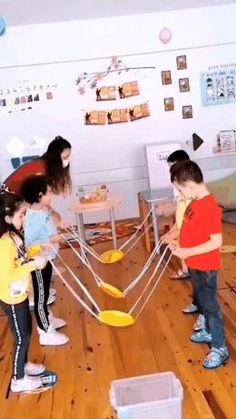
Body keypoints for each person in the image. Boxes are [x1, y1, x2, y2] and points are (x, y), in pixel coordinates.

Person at [170, 160, 229, 369]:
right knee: (203, 302)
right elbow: (190, 229)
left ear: (189, 185)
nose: (179, 194)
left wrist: (187, 252)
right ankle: (209, 332)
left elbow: (216, 242)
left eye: (179, 190)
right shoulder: (194, 201)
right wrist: (178, 241)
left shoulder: (209, 207)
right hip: (195, 263)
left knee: (211, 307)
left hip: (206, 267)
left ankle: (220, 347)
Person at [0, 191, 48, 392]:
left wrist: (33, 254)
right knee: (22, 338)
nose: (25, 218)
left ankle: (25, 365)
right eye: (21, 215)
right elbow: (6, 276)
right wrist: (32, 266)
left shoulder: (12, 236)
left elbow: (19, 259)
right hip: (11, 297)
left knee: (26, 332)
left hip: (19, 295)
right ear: (7, 218)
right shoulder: (3, 244)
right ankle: (18, 379)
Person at [21, 175, 69, 346]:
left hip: (48, 259)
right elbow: (30, 244)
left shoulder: (43, 209)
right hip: (39, 262)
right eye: (49, 192)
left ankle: (48, 318)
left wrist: (58, 226)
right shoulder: (33, 217)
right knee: (41, 298)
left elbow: (49, 225)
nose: (52, 195)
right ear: (40, 195)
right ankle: (45, 332)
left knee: (45, 293)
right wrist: (53, 240)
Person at [3, 135, 72, 197]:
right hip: (8, 198)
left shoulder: (44, 166)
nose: (68, 160)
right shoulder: (39, 169)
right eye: (65, 157)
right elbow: (34, 199)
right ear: (55, 156)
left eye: (69, 156)